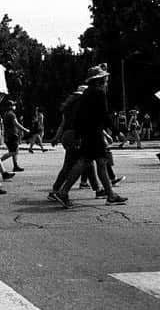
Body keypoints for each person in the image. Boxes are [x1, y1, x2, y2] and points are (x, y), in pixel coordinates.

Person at [53, 66, 128, 207]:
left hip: (87, 133)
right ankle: (64, 192)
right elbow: (104, 115)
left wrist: (79, 134)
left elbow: (79, 116)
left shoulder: (86, 93)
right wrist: (117, 132)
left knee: (97, 162)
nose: (106, 81)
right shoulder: (99, 93)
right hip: (95, 133)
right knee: (86, 162)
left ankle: (110, 195)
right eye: (105, 79)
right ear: (99, 80)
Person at [0, 99, 29, 172]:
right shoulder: (11, 114)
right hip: (12, 135)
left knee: (15, 150)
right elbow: (16, 124)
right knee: (13, 152)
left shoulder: (6, 114)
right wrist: (25, 130)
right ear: (10, 106)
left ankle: (15, 165)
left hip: (9, 135)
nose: (14, 106)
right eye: (13, 105)